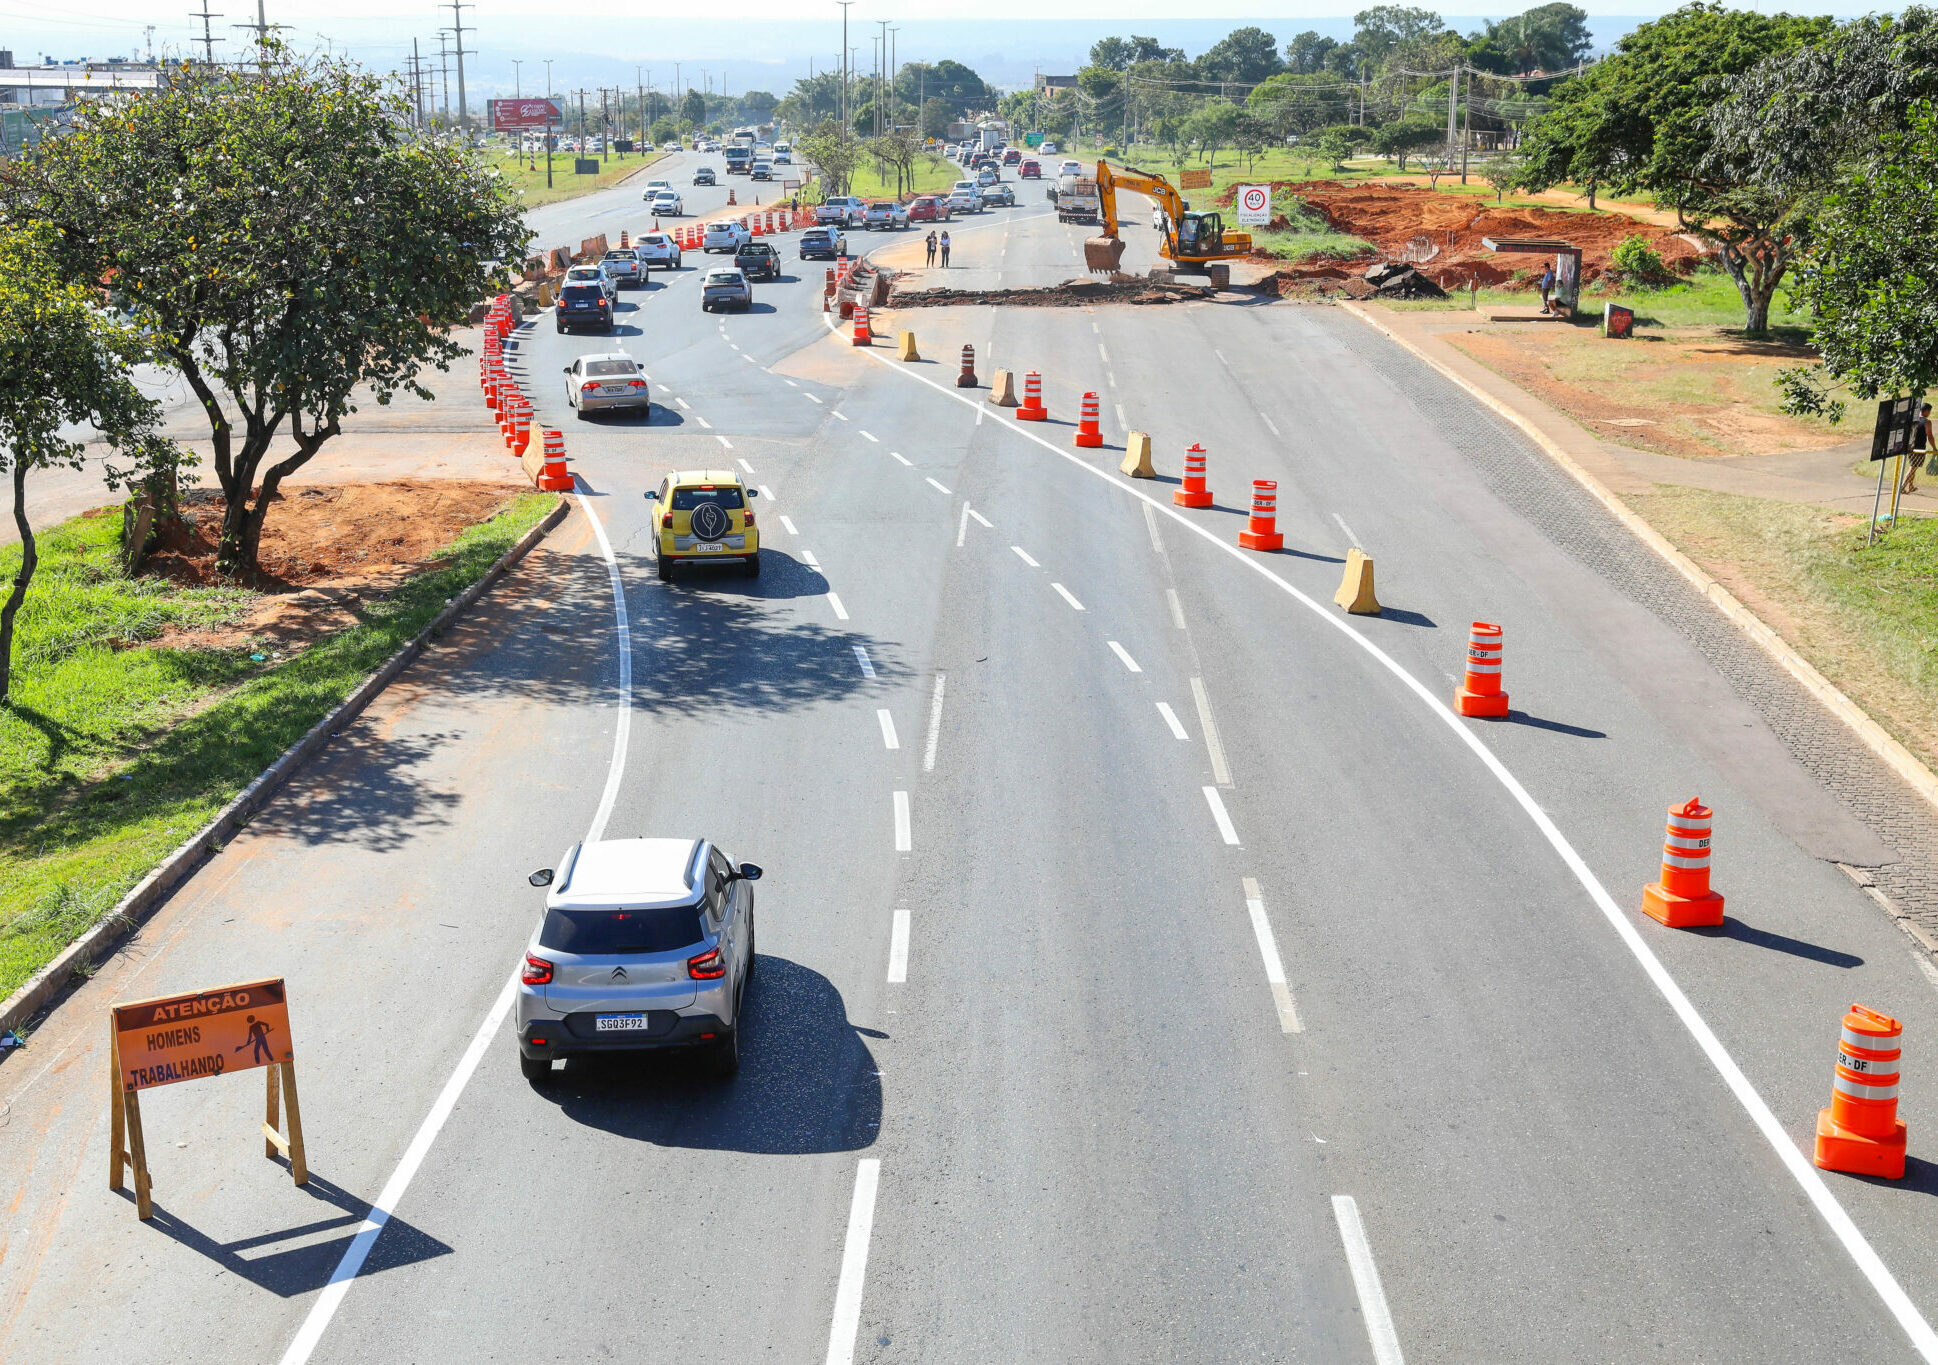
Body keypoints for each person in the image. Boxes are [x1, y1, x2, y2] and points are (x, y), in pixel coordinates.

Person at [1905, 401, 1932, 495]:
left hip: (1910, 447)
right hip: (1919, 449)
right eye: (1929, 411)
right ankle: (1902, 487)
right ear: (1927, 411)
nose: (1929, 414)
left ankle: (1911, 486)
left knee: (1914, 466)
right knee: (1912, 468)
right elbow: (1930, 436)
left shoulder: (1913, 420)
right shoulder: (1927, 422)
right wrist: (1934, 448)